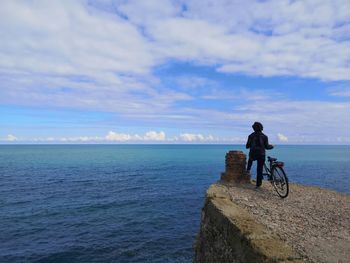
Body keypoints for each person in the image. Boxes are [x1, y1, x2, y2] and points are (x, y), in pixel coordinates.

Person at [246, 122, 273, 189]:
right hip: (261, 154)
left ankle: (248, 170)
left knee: (250, 159)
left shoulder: (250, 136)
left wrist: (251, 145)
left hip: (253, 154)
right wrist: (272, 146)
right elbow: (267, 147)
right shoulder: (265, 136)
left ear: (254, 128)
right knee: (259, 169)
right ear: (261, 128)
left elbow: (247, 146)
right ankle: (258, 185)